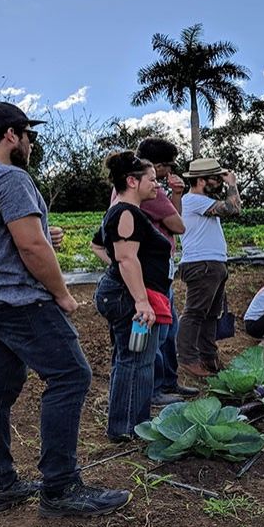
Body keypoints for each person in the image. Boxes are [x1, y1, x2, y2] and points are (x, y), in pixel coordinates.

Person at [0, 102, 131, 518]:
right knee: (71, 376)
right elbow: (30, 246)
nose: (32, 143)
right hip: (22, 300)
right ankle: (61, 486)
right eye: (28, 135)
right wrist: (63, 294)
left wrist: (39, 233)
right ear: (11, 135)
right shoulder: (10, 176)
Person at [109, 137, 197, 406]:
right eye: (166, 168)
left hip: (155, 273)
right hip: (150, 276)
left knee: (166, 330)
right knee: (153, 336)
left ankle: (164, 383)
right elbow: (179, 226)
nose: (168, 175)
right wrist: (138, 292)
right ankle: (152, 391)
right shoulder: (144, 196)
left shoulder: (129, 195)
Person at [93, 151, 173, 441]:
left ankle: (130, 424)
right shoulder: (126, 212)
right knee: (136, 361)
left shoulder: (127, 212)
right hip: (129, 297)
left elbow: (115, 253)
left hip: (129, 292)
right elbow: (126, 259)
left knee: (132, 359)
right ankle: (129, 428)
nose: (157, 186)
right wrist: (141, 300)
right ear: (131, 181)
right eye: (151, 180)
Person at [176, 158, 242, 378]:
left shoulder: (202, 201)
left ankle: (208, 356)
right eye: (215, 178)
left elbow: (234, 209)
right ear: (202, 180)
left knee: (211, 314)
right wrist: (232, 184)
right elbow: (233, 208)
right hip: (201, 263)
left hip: (212, 263)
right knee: (195, 312)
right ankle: (188, 358)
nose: (220, 181)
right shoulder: (193, 199)